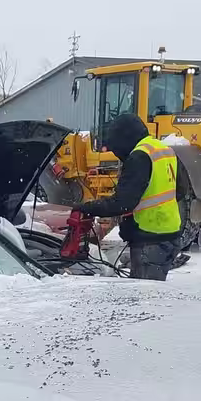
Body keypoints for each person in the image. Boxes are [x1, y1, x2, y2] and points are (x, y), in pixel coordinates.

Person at [73, 113, 186, 280]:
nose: (117, 154)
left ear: (124, 138)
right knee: (154, 295)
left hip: (150, 240)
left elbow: (122, 203)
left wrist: (87, 208)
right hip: (170, 236)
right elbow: (180, 191)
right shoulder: (164, 150)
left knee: (143, 299)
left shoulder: (139, 156)